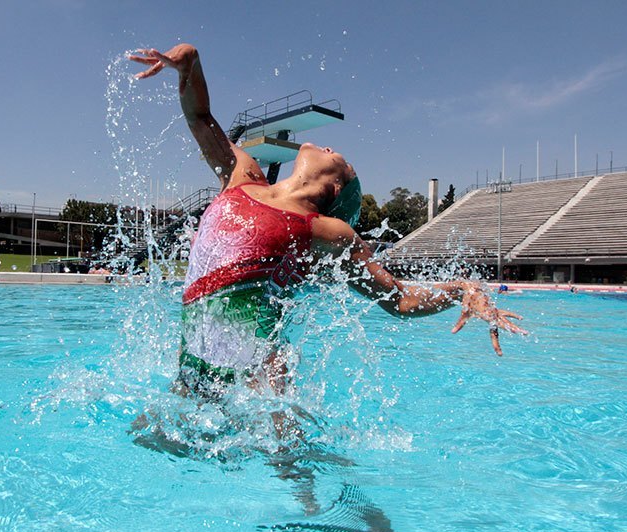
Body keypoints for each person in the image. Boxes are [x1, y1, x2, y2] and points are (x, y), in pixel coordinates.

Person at [130, 43, 525, 404]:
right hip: (192, 367)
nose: (332, 147)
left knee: (289, 467)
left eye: (344, 161)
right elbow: (199, 116)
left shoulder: (328, 232)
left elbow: (398, 299)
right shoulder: (242, 175)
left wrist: (461, 290)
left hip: (256, 378)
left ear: (337, 187)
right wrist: (190, 65)